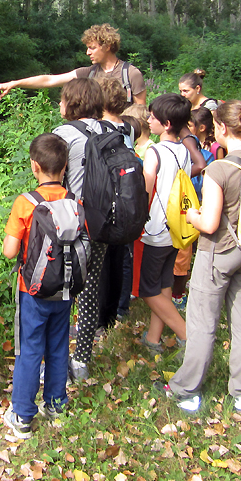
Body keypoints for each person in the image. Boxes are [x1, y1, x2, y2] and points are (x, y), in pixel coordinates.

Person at [162, 101, 241, 413]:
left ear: (224, 129)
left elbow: (210, 223)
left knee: (202, 322)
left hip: (219, 253)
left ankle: (187, 389)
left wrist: (191, 214)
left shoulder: (220, 169)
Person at [2, 133, 73, 439]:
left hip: (32, 290)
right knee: (58, 345)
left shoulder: (25, 203)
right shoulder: (72, 200)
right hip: (66, 287)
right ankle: (56, 404)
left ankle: (22, 415)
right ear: (65, 165)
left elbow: (9, 250)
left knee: (30, 349)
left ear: (34, 166)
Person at [52, 78, 107, 380]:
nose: (59, 104)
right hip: (103, 223)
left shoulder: (64, 134)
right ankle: (81, 360)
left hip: (72, 224)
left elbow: (51, 180)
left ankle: (57, 363)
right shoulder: (111, 130)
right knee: (90, 289)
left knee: (61, 291)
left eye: (62, 99)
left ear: (72, 102)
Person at [136, 93, 191, 355]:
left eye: (153, 117)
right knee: (163, 284)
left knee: (147, 289)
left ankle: (187, 336)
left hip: (155, 230)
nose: (148, 120)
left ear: (166, 123)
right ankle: (153, 338)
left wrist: (135, 220)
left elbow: (146, 191)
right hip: (176, 230)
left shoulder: (155, 152)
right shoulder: (185, 151)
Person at [0, 24, 147, 105]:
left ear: (106, 47)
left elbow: (141, 115)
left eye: (92, 48)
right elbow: (49, 80)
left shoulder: (131, 74)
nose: (87, 52)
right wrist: (14, 83)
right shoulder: (88, 73)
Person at [96, 80, 136, 331]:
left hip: (108, 199)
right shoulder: (129, 128)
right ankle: (116, 311)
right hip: (127, 198)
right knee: (121, 258)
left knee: (103, 264)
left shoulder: (100, 129)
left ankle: (100, 318)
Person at [172, 107, 218, 311]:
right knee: (186, 251)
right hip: (189, 207)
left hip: (194, 206)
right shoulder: (184, 149)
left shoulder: (206, 155)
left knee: (188, 251)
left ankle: (180, 293)